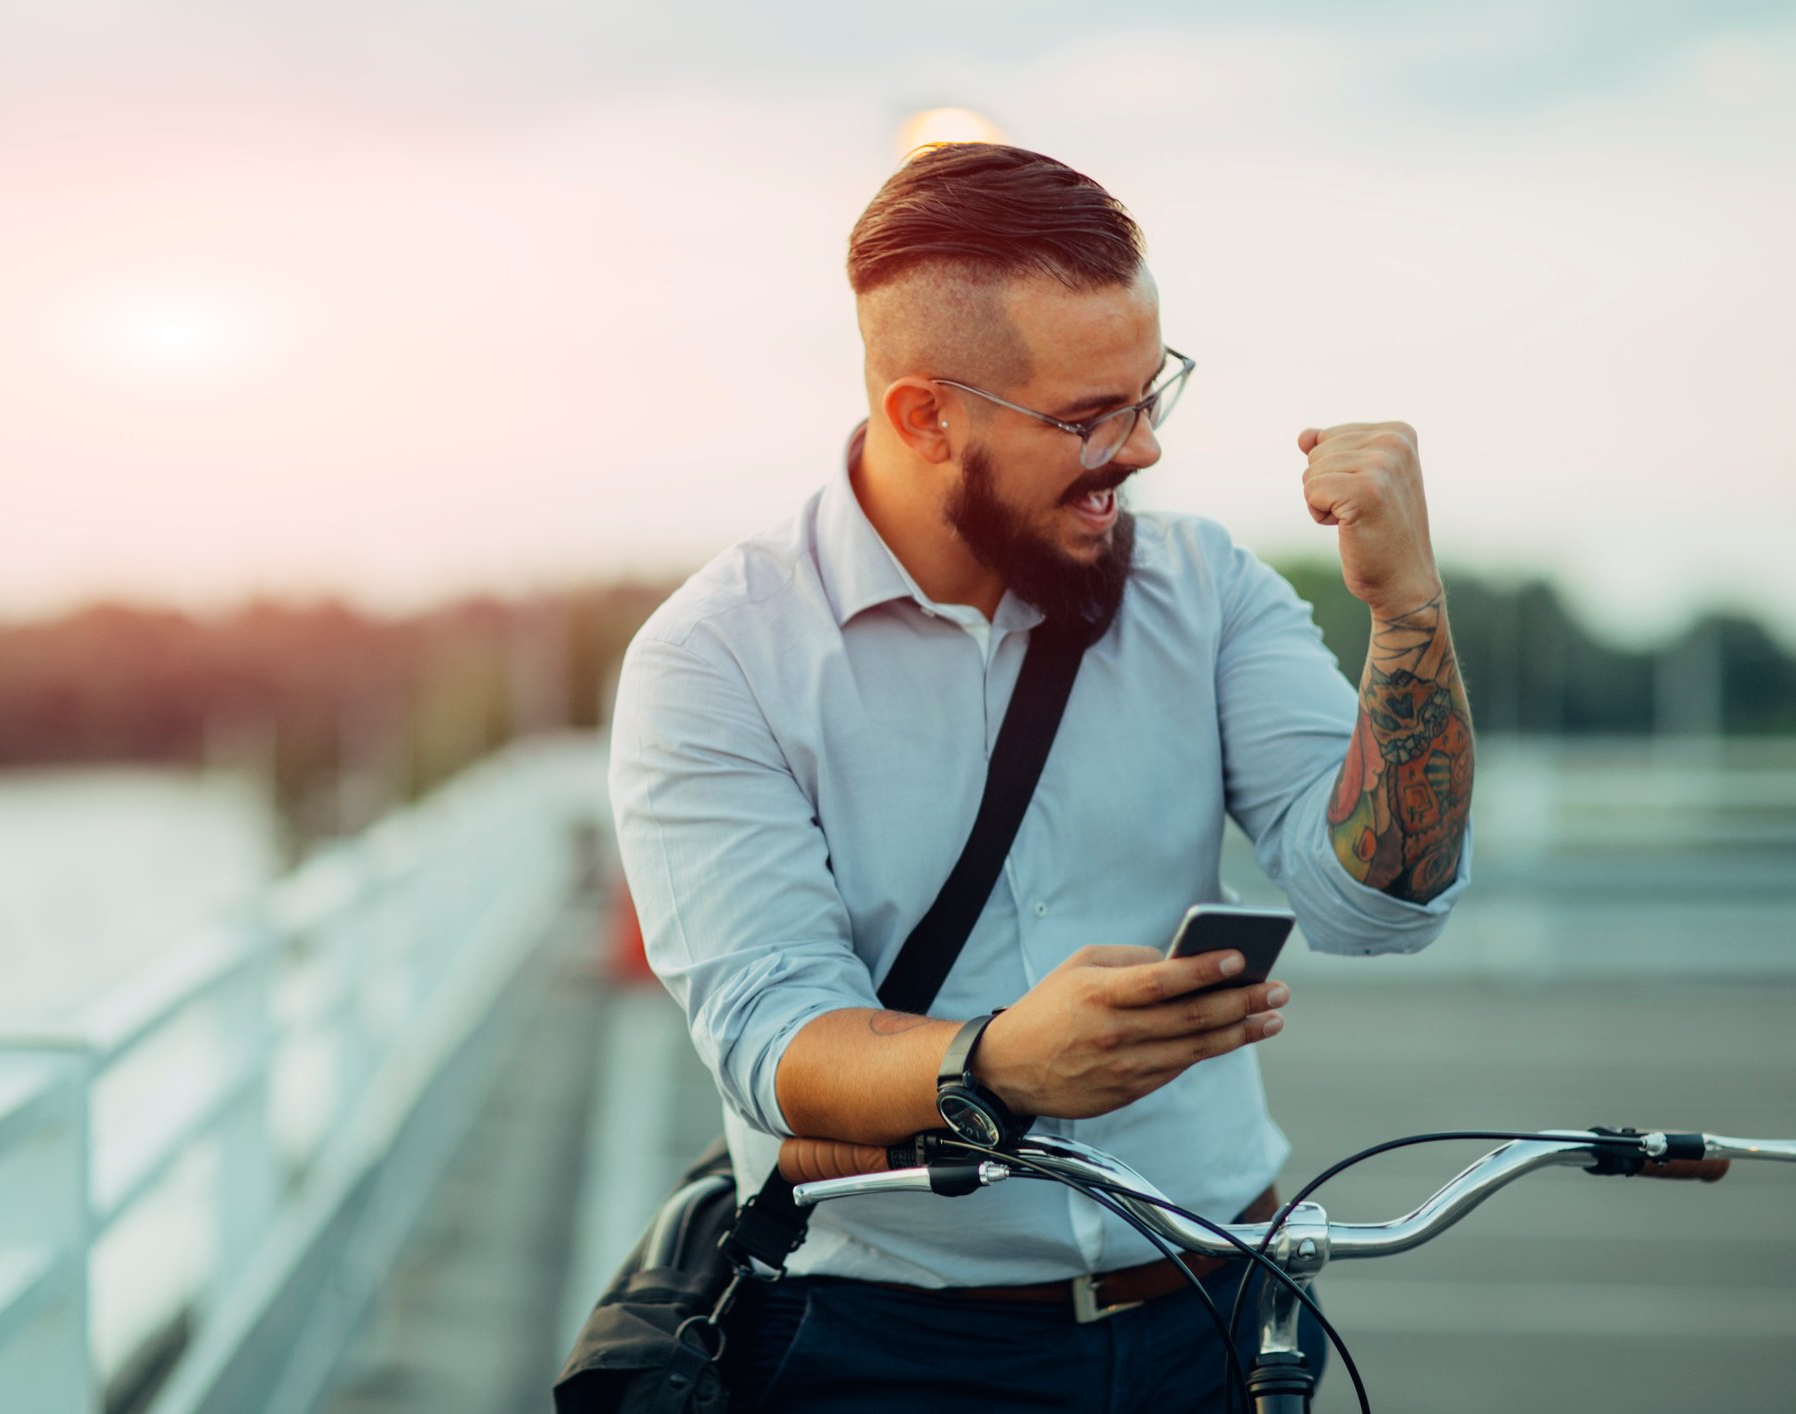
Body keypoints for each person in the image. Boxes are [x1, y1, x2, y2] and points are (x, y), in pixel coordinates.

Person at [606, 142, 1475, 1413]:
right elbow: (770, 1035)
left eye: (1150, 392)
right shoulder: (716, 657)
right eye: (1086, 419)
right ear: (924, 415)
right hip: (886, 1348)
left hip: (1217, 1306)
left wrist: (1408, 612)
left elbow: (1380, 900)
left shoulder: (1206, 585)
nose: (1143, 452)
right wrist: (999, 1060)